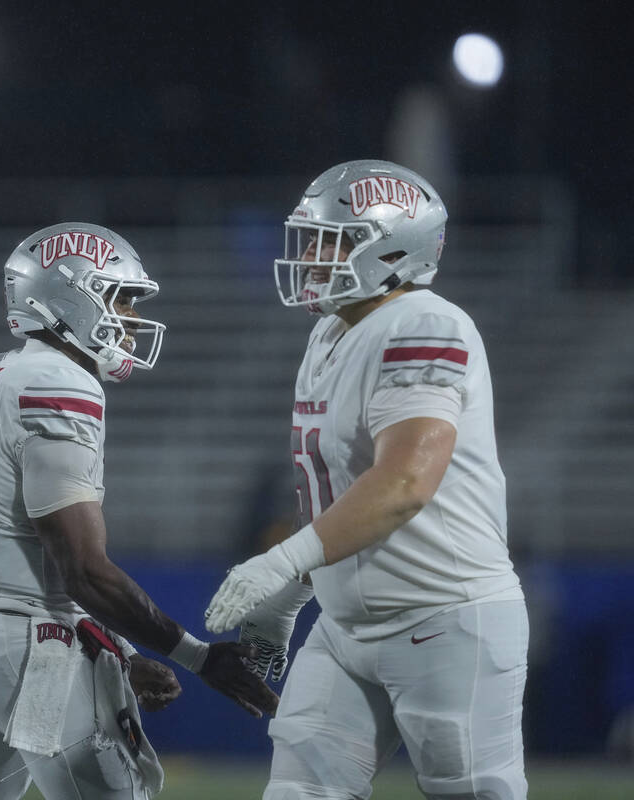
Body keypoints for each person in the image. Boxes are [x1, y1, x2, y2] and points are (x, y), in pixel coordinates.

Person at [205, 160, 528, 799]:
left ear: (391, 248)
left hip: (443, 617)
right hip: (346, 627)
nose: (313, 254)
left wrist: (280, 561)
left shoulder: (425, 323)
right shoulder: (330, 330)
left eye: (333, 239)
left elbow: (405, 480)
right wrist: (293, 589)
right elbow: (337, 487)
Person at [0, 222, 279, 800]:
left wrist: (121, 651)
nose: (132, 320)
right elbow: (82, 570)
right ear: (68, 296)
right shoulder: (58, 383)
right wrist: (199, 657)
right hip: (34, 655)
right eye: (120, 298)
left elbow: (42, 567)